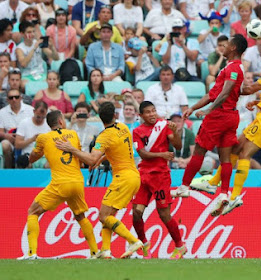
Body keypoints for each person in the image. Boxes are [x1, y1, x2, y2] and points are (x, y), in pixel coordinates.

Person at [191, 42, 261, 215]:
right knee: (236, 148)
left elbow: (249, 88)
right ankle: (216, 184)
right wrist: (258, 102)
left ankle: (231, 193)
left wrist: (230, 87)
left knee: (244, 154)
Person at [171, 34, 248, 217]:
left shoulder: (234, 69)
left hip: (219, 116)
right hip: (231, 116)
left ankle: (184, 187)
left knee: (199, 151)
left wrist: (209, 111)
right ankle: (224, 194)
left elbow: (225, 92)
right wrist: (192, 108)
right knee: (225, 157)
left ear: (234, 48)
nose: (224, 46)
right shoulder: (231, 67)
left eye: (228, 44)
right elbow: (211, 94)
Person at [56, 102, 144, 259]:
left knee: (103, 216)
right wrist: (100, 159)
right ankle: (106, 251)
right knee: (109, 215)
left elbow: (90, 159)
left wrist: (72, 149)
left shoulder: (104, 136)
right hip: (133, 176)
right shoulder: (123, 127)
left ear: (99, 119)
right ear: (115, 116)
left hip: (122, 179)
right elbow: (116, 150)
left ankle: (133, 241)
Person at [17, 110, 98, 260]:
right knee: (80, 216)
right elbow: (78, 158)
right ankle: (95, 252)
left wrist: (31, 156)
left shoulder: (43, 138)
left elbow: (33, 158)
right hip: (78, 182)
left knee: (33, 212)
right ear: (61, 121)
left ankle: (31, 253)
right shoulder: (73, 135)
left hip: (60, 183)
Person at [132, 101, 186, 259]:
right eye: (148, 112)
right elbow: (142, 154)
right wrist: (162, 155)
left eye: (153, 111)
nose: (152, 114)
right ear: (141, 116)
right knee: (136, 213)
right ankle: (144, 244)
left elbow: (177, 146)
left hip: (160, 176)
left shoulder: (164, 125)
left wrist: (174, 133)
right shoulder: (137, 131)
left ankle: (180, 246)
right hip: (143, 175)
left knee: (163, 213)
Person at [16, 21, 59, 89]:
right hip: (27, 76)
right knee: (24, 85)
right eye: (29, 32)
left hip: (40, 75)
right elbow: (23, 64)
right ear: (22, 33)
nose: (32, 34)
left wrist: (52, 47)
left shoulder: (39, 43)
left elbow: (56, 58)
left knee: (51, 83)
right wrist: (34, 48)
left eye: (33, 31)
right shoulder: (19, 48)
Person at [0, 89, 34, 168]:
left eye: (16, 97)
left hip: (26, 140)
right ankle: (8, 169)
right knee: (4, 144)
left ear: (21, 98)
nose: (14, 100)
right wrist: (6, 136)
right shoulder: (2, 112)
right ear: (7, 100)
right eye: (11, 98)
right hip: (10, 140)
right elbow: (0, 131)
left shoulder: (30, 110)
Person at [15, 101, 50, 169]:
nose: (40, 119)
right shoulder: (24, 123)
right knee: (25, 162)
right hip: (29, 155)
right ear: (34, 111)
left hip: (45, 156)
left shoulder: (49, 124)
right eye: (38, 117)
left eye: (43, 117)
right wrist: (32, 139)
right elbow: (17, 145)